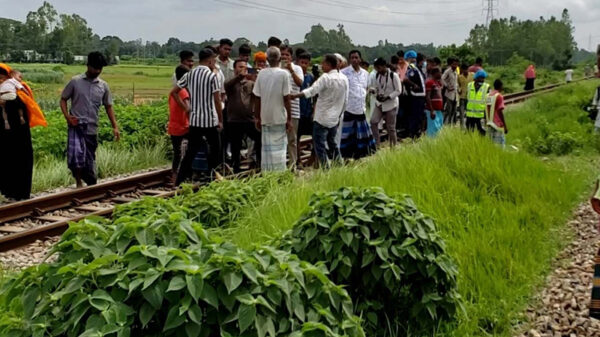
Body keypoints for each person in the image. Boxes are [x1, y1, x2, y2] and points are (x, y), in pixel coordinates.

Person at [60, 52, 119, 188]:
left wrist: (115, 126)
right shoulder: (75, 82)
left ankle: (90, 181)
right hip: (76, 126)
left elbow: (108, 106)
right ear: (88, 66)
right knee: (76, 157)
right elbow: (63, 99)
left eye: (100, 69)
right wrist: (67, 117)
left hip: (92, 127)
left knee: (89, 157)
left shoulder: (103, 86)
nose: (97, 71)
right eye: (95, 68)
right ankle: (78, 182)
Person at [171, 48, 223, 184]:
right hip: (210, 120)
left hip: (194, 120)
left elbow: (174, 92)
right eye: (214, 60)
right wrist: (220, 119)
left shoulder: (190, 74)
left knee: (190, 153)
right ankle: (211, 176)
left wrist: (185, 108)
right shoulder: (212, 77)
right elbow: (217, 100)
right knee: (216, 149)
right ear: (210, 60)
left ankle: (179, 181)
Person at [291, 54, 348, 169]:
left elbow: (312, 90)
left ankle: (325, 168)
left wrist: (295, 95)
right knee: (332, 143)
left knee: (319, 144)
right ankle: (338, 164)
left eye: (323, 63)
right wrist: (339, 114)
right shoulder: (344, 79)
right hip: (334, 118)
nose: (321, 65)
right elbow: (345, 100)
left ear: (328, 64)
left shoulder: (325, 78)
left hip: (322, 117)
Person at [252, 47, 292, 172]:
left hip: (266, 117)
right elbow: (286, 98)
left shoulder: (262, 74)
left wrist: (257, 117)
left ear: (267, 59)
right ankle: (280, 174)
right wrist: (289, 118)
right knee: (279, 150)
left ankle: (267, 174)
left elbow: (257, 98)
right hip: (279, 117)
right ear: (280, 58)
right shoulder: (284, 74)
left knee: (267, 150)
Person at [0, 65, 33, 200]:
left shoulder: (19, 91)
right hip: (3, 135)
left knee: (21, 160)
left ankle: (21, 193)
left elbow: (25, 106)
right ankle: (9, 193)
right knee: (6, 162)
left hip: (20, 134)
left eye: (2, 78)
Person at [225, 59, 261, 172]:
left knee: (259, 139)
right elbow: (226, 86)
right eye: (240, 67)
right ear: (235, 69)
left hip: (248, 119)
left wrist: (257, 77)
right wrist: (239, 77)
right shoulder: (231, 83)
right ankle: (236, 168)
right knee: (236, 145)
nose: (243, 69)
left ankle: (258, 162)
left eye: (245, 67)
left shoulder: (250, 83)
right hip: (234, 120)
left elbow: (257, 95)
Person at [340, 50, 375, 159]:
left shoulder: (365, 73)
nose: (355, 60)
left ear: (360, 59)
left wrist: (371, 90)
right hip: (349, 108)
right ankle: (346, 157)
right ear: (350, 59)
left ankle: (359, 157)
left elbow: (367, 88)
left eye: (356, 57)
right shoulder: (344, 73)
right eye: (352, 58)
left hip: (361, 108)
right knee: (347, 135)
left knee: (360, 135)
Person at [280, 45, 304, 168]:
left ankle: (292, 165)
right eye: (282, 54)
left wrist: (291, 70)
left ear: (291, 56)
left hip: (293, 109)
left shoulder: (297, 68)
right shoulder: (275, 68)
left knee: (292, 140)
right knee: (279, 140)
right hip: (278, 109)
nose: (284, 57)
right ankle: (280, 166)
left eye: (286, 55)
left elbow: (300, 83)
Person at [370, 57, 402, 147]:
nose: (378, 70)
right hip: (380, 103)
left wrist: (388, 97)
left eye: (379, 68)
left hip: (391, 104)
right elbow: (377, 87)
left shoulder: (393, 75)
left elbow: (398, 90)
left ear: (384, 66)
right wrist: (373, 91)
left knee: (391, 127)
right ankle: (377, 144)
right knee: (373, 122)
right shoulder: (377, 75)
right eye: (376, 68)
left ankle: (393, 147)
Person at [167, 65, 190, 182]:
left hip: (173, 126)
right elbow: (188, 108)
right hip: (184, 126)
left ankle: (174, 175)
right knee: (189, 151)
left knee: (177, 153)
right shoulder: (184, 91)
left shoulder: (173, 92)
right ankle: (185, 175)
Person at [403, 51, 427, 138]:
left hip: (421, 96)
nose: (424, 63)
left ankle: (417, 132)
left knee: (420, 116)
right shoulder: (413, 69)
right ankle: (413, 134)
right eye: (423, 61)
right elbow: (405, 79)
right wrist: (413, 85)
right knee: (415, 116)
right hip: (416, 96)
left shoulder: (420, 70)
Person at [296, 52, 315, 158]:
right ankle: (298, 160)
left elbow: (314, 94)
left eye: (306, 63)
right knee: (296, 137)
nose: (303, 65)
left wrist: (313, 111)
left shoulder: (310, 77)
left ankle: (313, 157)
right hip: (297, 111)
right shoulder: (293, 76)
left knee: (314, 134)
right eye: (301, 62)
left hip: (307, 111)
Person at [465, 69, 490, 135]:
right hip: (470, 114)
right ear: (476, 78)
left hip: (480, 115)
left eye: (483, 78)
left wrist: (487, 115)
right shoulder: (469, 85)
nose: (482, 80)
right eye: (480, 78)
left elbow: (488, 102)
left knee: (481, 132)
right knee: (469, 131)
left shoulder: (486, 87)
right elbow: (466, 98)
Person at [486, 79, 508, 147]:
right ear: (500, 86)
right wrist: (505, 126)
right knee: (500, 146)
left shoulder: (488, 95)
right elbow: (499, 111)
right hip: (497, 125)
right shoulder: (499, 96)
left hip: (489, 123)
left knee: (491, 145)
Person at [425, 67, 444, 137]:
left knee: (439, 127)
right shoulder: (430, 83)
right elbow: (428, 97)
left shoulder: (438, 83)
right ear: (435, 73)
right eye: (440, 72)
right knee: (433, 128)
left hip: (438, 110)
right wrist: (431, 110)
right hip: (433, 110)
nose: (441, 74)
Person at [442, 57, 459, 125]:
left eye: (456, 64)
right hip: (449, 94)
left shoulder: (455, 72)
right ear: (451, 64)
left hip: (455, 94)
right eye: (454, 64)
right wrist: (447, 87)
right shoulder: (448, 71)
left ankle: (450, 124)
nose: (455, 66)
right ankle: (445, 123)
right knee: (448, 110)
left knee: (454, 111)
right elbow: (442, 79)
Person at [457, 64, 471, 128]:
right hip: (462, 97)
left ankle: (469, 125)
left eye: (466, 69)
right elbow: (458, 85)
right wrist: (458, 90)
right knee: (462, 113)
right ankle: (462, 127)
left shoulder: (472, 75)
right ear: (462, 70)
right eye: (464, 70)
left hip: (470, 97)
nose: (466, 71)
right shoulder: (459, 77)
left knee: (469, 113)